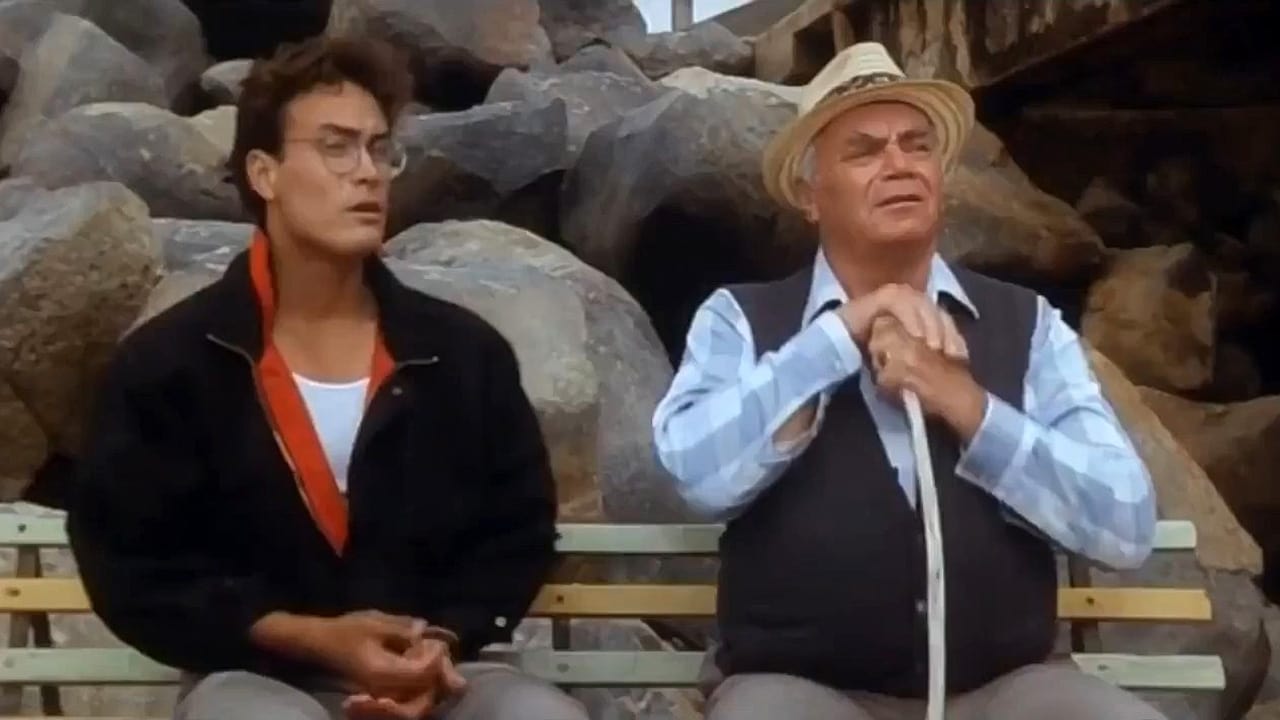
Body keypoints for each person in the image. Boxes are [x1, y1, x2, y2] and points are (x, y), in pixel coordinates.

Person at [66, 36, 588, 720]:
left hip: (443, 670)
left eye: (380, 150)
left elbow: (517, 530)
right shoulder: (173, 362)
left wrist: (439, 644)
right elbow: (132, 563)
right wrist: (306, 636)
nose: (367, 173)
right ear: (264, 173)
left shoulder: (462, 353)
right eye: (336, 147)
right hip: (258, 673)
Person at [651, 42, 1162, 720]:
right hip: (800, 689)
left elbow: (1125, 525)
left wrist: (967, 405)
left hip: (1006, 689)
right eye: (864, 151)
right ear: (809, 195)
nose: (899, 164)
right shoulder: (739, 319)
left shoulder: (1027, 324)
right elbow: (694, 474)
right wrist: (838, 338)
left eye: (917, 146)